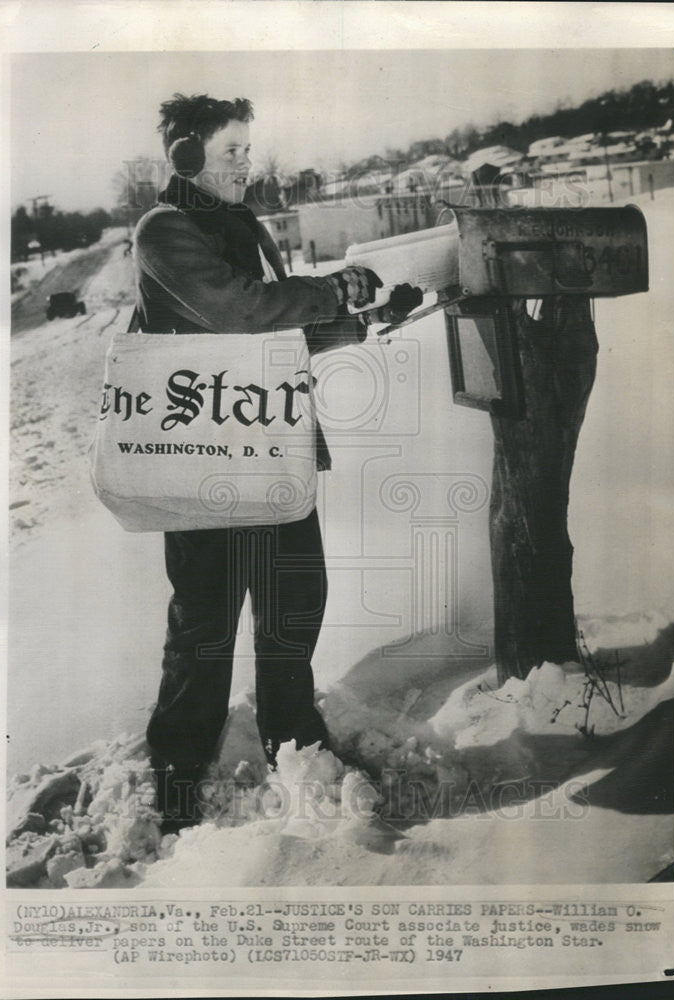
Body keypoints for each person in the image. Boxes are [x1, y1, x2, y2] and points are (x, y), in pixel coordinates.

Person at [132, 93, 421, 831]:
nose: (245, 163)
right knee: (204, 626)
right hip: (203, 461)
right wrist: (327, 289)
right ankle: (176, 778)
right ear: (186, 157)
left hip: (274, 449)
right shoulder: (164, 232)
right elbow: (240, 310)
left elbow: (279, 332)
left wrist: (361, 319)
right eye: (230, 151)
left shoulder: (243, 226)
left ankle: (296, 742)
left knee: (295, 606)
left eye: (247, 150)